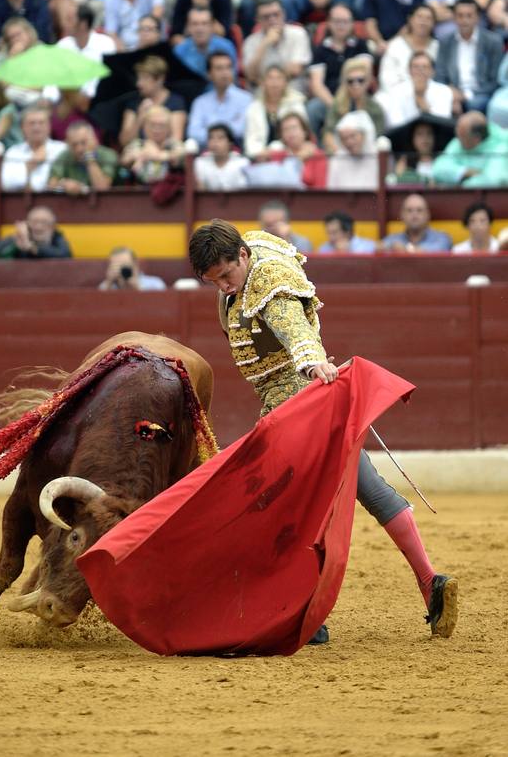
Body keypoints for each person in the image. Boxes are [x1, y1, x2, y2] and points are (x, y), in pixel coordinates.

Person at [188, 218, 458, 639]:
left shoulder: (269, 285)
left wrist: (312, 360)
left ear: (242, 256)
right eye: (214, 282)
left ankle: (302, 611)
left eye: (226, 275)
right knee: (368, 487)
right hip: (315, 402)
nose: (224, 287)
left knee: (279, 506)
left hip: (298, 408)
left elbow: (293, 326)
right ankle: (429, 582)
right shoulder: (252, 248)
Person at [307, 3, 371, 137]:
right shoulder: (321, 50)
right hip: (330, 100)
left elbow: (365, 75)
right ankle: (318, 152)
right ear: (329, 23)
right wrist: (336, 106)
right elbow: (317, 85)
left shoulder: (360, 45)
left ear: (352, 23)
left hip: (357, 97)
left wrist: (351, 101)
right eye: (336, 21)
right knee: (312, 109)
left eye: (345, 21)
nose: (341, 25)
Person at [434, 0, 504, 115]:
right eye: (460, 16)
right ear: (454, 18)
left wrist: (465, 95)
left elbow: (494, 81)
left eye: (469, 15)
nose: (464, 20)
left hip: (480, 93)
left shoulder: (493, 41)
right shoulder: (446, 42)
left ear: (477, 18)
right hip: (453, 92)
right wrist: (452, 94)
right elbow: (440, 76)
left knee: (474, 104)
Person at [187, 51, 252, 148]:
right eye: (219, 68)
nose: (225, 73)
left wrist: (212, 135)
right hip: (206, 153)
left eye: (228, 67)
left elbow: (242, 129)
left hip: (237, 151)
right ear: (209, 74)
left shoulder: (246, 99)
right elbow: (193, 132)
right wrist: (220, 137)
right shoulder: (200, 102)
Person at [242, 0, 311, 91]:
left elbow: (295, 70)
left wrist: (266, 79)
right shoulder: (250, 42)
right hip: (262, 94)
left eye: (276, 14)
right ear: (258, 20)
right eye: (266, 17)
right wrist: (265, 43)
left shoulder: (298, 34)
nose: (272, 20)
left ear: (283, 14)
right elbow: (250, 76)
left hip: (292, 91)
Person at [119, 55, 187, 146]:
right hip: (139, 153)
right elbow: (124, 142)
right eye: (138, 78)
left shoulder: (175, 102)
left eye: (145, 78)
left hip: (164, 155)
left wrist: (155, 152)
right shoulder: (134, 103)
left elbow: (176, 139)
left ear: (160, 79)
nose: (139, 83)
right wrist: (139, 118)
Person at [322, 56, 384, 155]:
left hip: (369, 157)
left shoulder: (375, 109)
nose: (356, 85)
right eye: (351, 81)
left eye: (360, 80)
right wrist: (341, 153)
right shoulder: (337, 106)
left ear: (368, 81)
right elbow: (328, 135)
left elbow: (378, 138)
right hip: (342, 157)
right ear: (345, 83)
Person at [243, 64, 306, 160]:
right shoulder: (254, 108)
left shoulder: (295, 104)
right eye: (270, 78)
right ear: (263, 82)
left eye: (279, 78)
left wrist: (275, 152)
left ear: (285, 82)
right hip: (259, 158)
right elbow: (251, 139)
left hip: (290, 156)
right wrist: (261, 154)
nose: (274, 83)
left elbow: (303, 135)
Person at [376, 51, 453, 129]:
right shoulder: (397, 91)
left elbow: (442, 122)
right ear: (409, 71)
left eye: (425, 67)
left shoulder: (444, 91)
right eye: (416, 67)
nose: (420, 71)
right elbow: (396, 123)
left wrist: (420, 98)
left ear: (432, 71)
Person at [432, 111, 508, 188]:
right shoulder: (459, 141)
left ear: (476, 138)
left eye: (462, 136)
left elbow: (493, 181)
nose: (457, 139)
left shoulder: (502, 145)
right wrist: (465, 172)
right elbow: (438, 169)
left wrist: (460, 186)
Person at [1, 105, 65, 192]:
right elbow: (6, 183)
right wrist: (30, 165)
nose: (36, 128)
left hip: (56, 202)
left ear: (49, 126)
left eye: (41, 123)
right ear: (22, 127)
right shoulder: (13, 152)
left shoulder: (61, 150)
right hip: (20, 202)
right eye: (31, 123)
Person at [378, 4, 439, 93]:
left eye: (428, 18)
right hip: (396, 96)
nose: (423, 22)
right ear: (410, 20)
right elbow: (386, 78)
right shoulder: (396, 45)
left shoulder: (438, 47)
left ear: (434, 23)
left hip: (430, 96)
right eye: (419, 17)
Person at [121, 105, 186, 185]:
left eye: (161, 125)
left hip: (168, 192)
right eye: (152, 125)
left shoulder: (173, 144)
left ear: (169, 128)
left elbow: (183, 157)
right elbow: (124, 160)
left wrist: (158, 155)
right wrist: (140, 154)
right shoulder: (137, 144)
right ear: (144, 126)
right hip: (139, 192)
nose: (157, 130)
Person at [48, 120, 118, 194]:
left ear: (94, 140)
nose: (79, 149)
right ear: (68, 144)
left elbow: (102, 188)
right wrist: (63, 185)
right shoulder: (65, 155)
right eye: (74, 144)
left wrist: (89, 157)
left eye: (83, 142)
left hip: (105, 204)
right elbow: (51, 185)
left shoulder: (108, 154)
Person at [173, 6, 238, 78]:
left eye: (204, 23)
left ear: (212, 26)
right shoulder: (179, 51)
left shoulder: (226, 47)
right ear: (188, 27)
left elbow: (232, 79)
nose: (200, 29)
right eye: (195, 24)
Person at [0, 206, 72, 259]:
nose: (39, 227)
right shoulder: (20, 238)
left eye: (44, 222)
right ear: (27, 224)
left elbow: (65, 255)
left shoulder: (57, 237)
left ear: (53, 226)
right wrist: (16, 240)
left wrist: (31, 247)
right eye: (34, 222)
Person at [327, 110, 381, 191]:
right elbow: (332, 191)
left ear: (363, 135)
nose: (349, 142)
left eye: (353, 136)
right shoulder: (337, 159)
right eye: (344, 138)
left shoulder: (377, 155)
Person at [381, 193, 453, 252]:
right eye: (409, 210)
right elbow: (374, 248)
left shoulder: (441, 238)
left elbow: (438, 250)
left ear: (428, 215)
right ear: (402, 215)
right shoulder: (392, 239)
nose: (414, 215)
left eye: (419, 210)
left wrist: (405, 249)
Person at [193, 122, 250, 190]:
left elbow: (243, 192)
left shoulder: (242, 163)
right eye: (211, 138)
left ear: (230, 143)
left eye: (220, 138)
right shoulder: (200, 163)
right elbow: (201, 191)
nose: (215, 142)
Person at [99, 246, 167, 290]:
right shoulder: (106, 286)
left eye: (124, 265)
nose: (120, 270)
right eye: (116, 266)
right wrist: (109, 283)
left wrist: (137, 287)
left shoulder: (155, 284)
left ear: (135, 264)